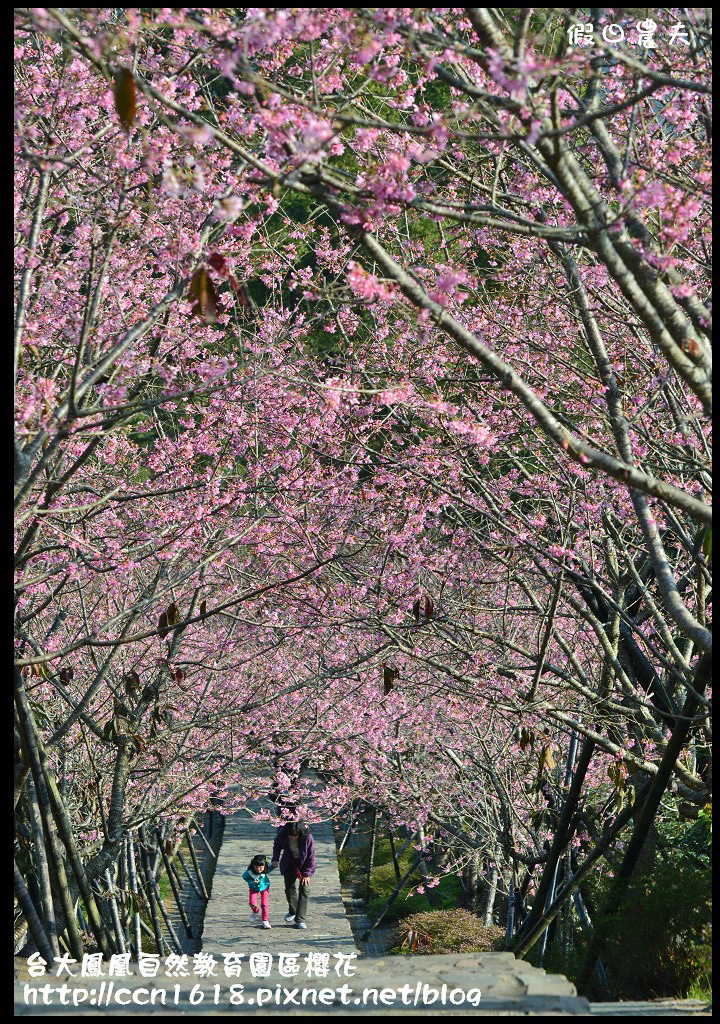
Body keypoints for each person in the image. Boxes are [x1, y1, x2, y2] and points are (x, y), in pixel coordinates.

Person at [271, 822, 316, 929]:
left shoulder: (307, 837)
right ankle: (293, 910)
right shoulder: (283, 834)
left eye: (295, 835)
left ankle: (300, 919)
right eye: (290, 835)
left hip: (304, 864)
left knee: (305, 890)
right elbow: (277, 845)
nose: (292, 837)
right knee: (289, 888)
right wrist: (275, 858)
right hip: (289, 862)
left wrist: (307, 874)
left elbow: (311, 856)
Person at [242, 854, 275, 929]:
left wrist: (274, 865)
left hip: (264, 887)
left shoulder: (265, 869)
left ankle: (265, 920)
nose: (259, 869)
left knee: (264, 904)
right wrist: (252, 881)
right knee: (252, 903)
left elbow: (271, 867)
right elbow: (244, 877)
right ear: (253, 866)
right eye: (256, 867)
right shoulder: (249, 872)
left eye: (261, 867)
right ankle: (255, 911)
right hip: (253, 888)